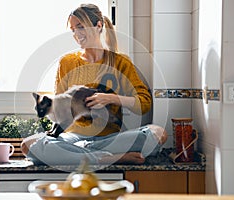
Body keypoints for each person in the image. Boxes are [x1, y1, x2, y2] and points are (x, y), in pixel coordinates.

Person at [21, 4, 167, 165]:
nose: (76, 34)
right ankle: (109, 158)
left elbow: (144, 103)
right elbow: (59, 108)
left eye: (80, 27)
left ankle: (82, 154)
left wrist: (111, 98)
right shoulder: (66, 63)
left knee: (158, 134)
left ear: (98, 26)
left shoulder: (120, 62)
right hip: (73, 138)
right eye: (73, 30)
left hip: (110, 139)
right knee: (27, 146)